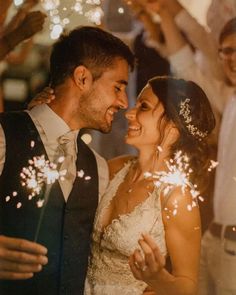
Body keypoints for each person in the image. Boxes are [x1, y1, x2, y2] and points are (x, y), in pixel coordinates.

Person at [0, 25, 135, 295]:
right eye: (118, 87)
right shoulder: (4, 135)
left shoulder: (98, 168)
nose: (123, 102)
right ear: (82, 78)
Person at [84, 76, 215, 294]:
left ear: (173, 126)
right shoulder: (116, 168)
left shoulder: (177, 196)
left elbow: (188, 287)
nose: (129, 114)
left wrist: (158, 278)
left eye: (143, 107)